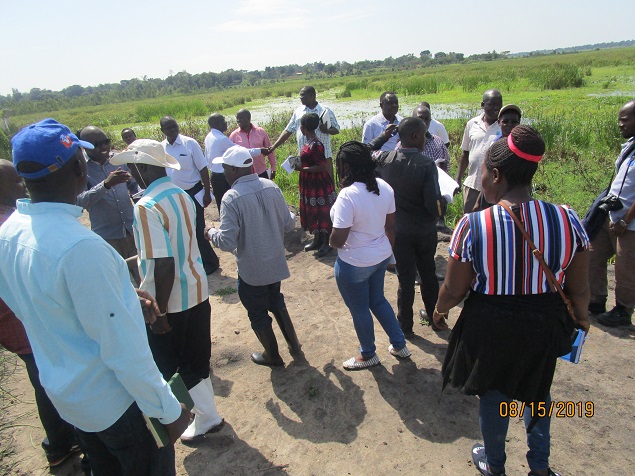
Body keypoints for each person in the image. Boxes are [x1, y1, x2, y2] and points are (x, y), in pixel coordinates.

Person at [0, 119, 191, 475]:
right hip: (117, 405)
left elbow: (37, 306)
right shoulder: (82, 248)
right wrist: (169, 410)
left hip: (69, 398)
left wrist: (120, 294)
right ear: (78, 168)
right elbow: (124, 351)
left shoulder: (8, 234)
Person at [433, 125, 590, 476]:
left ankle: (495, 464)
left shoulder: (473, 225)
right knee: (538, 392)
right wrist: (582, 319)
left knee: (493, 395)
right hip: (543, 324)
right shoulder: (567, 218)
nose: (482, 178)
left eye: (484, 171)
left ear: (497, 175)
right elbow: (579, 288)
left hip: (491, 326)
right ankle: (540, 467)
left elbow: (456, 290)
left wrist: (439, 311)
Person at [110, 139, 223, 443]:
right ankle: (209, 414)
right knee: (197, 358)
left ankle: (207, 418)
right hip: (197, 289)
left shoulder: (146, 206)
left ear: (143, 167)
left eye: (134, 166)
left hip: (171, 300)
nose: (132, 172)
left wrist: (157, 312)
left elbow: (163, 265)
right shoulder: (183, 196)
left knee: (175, 364)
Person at [0, 159, 80, 468]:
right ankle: (60, 443)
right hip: (23, 323)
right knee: (48, 383)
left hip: (21, 320)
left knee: (45, 379)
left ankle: (62, 440)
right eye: (16, 182)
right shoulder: (8, 227)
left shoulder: (13, 220)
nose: (23, 186)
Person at [207, 146, 300, 366]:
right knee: (276, 301)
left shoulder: (231, 198)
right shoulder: (271, 186)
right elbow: (288, 224)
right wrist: (292, 214)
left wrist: (210, 232)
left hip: (252, 271)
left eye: (225, 168)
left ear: (232, 170)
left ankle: (272, 356)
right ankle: (294, 345)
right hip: (275, 264)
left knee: (257, 313)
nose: (224, 173)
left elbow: (227, 242)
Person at [330, 141, 410, 370]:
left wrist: (329, 240)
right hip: (380, 257)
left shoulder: (348, 195)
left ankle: (368, 354)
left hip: (354, 264)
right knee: (377, 300)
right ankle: (399, 345)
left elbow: (338, 239)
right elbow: (390, 227)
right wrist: (389, 256)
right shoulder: (384, 187)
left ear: (346, 167)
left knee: (359, 309)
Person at [367, 118, 442, 337]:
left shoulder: (385, 160)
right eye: (424, 135)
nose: (425, 140)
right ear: (416, 136)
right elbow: (432, 205)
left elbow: (364, 151)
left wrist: (384, 137)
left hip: (398, 230)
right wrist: (443, 204)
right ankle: (435, 317)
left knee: (405, 278)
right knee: (428, 273)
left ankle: (405, 326)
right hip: (424, 231)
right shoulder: (426, 165)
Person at [588, 99, 635, 327]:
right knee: (592, 253)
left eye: (624, 120)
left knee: (625, 268)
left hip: (629, 223)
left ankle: (623, 311)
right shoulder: (630, 146)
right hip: (612, 217)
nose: (619, 124)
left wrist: (626, 221)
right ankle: (595, 301)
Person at [160, 116, 219, 274]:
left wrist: (207, 192)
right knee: (183, 230)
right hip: (174, 195)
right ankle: (195, 261)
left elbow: (202, 169)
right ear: (162, 131)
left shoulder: (189, 143)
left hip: (193, 193)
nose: (172, 130)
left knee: (198, 229)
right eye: (168, 128)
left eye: (174, 126)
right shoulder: (161, 148)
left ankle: (211, 263)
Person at [77, 125, 140, 260]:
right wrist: (106, 185)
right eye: (97, 145)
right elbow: (80, 201)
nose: (104, 147)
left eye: (106, 142)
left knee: (141, 274)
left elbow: (133, 186)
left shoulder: (119, 160)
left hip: (132, 229)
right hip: (107, 236)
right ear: (85, 147)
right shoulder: (81, 169)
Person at [268, 86, 340, 178]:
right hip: (304, 156)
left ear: (311, 95)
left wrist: (327, 130)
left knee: (326, 183)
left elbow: (336, 129)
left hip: (323, 156)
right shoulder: (298, 112)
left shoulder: (325, 110)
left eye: (302, 96)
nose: (300, 98)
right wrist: (274, 146)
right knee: (307, 183)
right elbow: (288, 130)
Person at [295, 113, 337, 257]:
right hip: (310, 183)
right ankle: (318, 239)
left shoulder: (316, 144)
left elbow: (321, 166)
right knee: (313, 210)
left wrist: (302, 169)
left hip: (318, 184)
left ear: (302, 128)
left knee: (322, 211)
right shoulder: (309, 143)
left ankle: (327, 243)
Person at [456, 89, 503, 213]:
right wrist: (458, 178)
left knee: (491, 221)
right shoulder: (472, 124)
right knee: (469, 219)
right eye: (491, 104)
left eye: (498, 104)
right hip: (472, 184)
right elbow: (465, 153)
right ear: (482, 105)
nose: (496, 108)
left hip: (494, 187)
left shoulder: (503, 126)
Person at [230, 109, 276, 179]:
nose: (238, 120)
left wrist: (273, 168)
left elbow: (270, 150)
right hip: (244, 175)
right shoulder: (234, 135)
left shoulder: (260, 132)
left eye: (241, 118)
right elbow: (231, 156)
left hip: (261, 172)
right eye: (237, 118)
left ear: (249, 118)